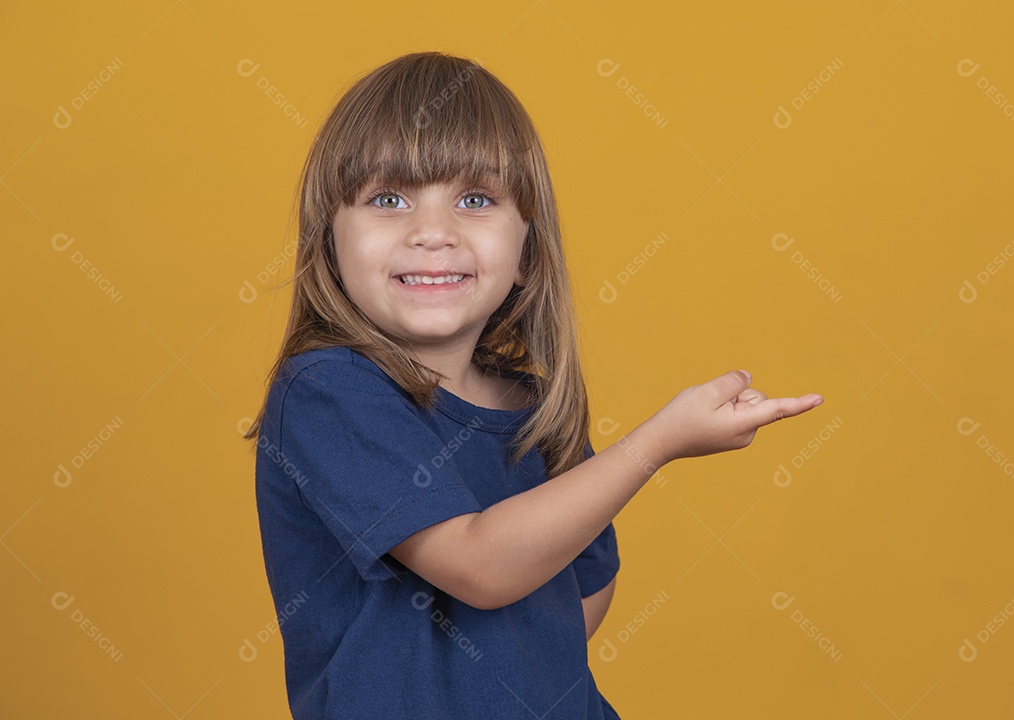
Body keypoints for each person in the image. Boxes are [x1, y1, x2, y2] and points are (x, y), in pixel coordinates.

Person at [245, 51, 823, 720]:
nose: (433, 232)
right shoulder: (329, 391)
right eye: (388, 199)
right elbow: (481, 567)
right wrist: (655, 444)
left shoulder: (535, 406)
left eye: (475, 200)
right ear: (329, 243)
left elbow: (584, 591)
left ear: (527, 251)